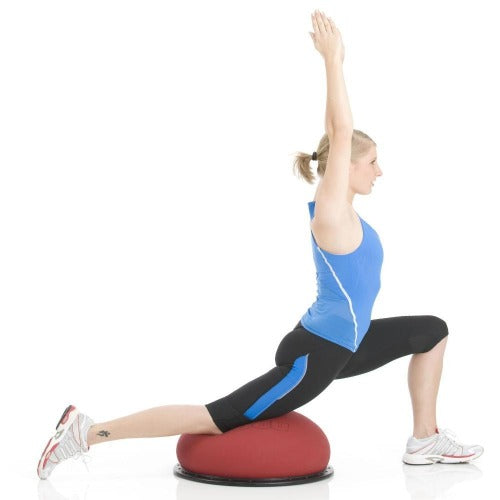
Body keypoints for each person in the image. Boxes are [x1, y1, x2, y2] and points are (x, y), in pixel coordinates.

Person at [37, 10, 484, 480]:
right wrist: (334, 61)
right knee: (210, 417)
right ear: (346, 167)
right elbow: (340, 129)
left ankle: (425, 439)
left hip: (342, 342)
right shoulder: (330, 214)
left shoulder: (350, 214)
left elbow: (340, 138)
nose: (380, 170)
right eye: (372, 161)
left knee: (432, 330)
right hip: (317, 354)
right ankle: (85, 432)